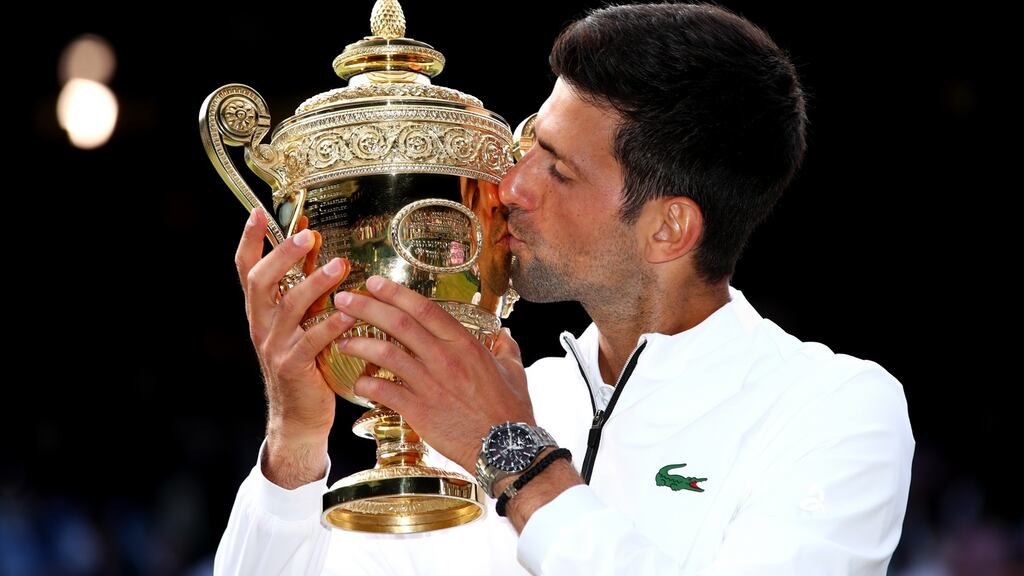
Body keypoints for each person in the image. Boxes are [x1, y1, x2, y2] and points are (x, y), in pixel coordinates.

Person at [216, 3, 914, 574]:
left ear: (668, 229)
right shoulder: (477, 402)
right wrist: (296, 443)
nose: (510, 188)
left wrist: (512, 455)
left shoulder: (834, 411)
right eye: (528, 148)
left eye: (557, 170)